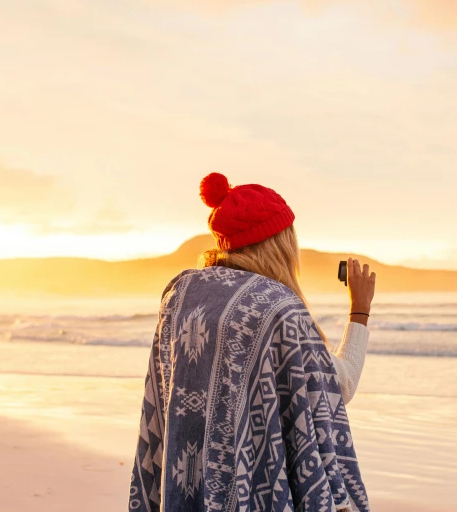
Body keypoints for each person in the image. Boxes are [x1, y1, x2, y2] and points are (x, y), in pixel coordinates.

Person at [129, 173, 375, 511]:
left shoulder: (180, 294)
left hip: (189, 476)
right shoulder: (278, 308)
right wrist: (359, 311)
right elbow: (339, 386)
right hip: (255, 485)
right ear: (279, 243)